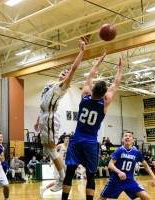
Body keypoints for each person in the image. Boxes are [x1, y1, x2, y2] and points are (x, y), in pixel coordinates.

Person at [62, 52, 124, 200]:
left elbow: (90, 75)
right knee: (90, 174)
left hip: (76, 140)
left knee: (69, 172)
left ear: (93, 89)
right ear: (104, 94)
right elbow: (116, 84)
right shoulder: (105, 102)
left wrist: (100, 60)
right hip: (90, 142)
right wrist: (120, 67)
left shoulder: (84, 96)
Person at [34, 38, 87, 192]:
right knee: (46, 150)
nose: (65, 73)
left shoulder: (62, 88)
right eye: (63, 72)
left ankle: (62, 179)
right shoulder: (49, 84)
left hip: (51, 118)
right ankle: (61, 177)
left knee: (50, 150)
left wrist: (81, 51)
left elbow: (73, 68)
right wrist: (38, 119)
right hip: (44, 116)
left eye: (67, 74)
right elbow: (42, 101)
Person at [98, 131, 155, 200]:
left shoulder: (137, 152)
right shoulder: (119, 150)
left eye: (129, 136)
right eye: (125, 136)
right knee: (102, 198)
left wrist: (154, 177)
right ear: (122, 139)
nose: (127, 137)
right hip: (116, 181)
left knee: (146, 197)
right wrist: (119, 172)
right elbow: (110, 165)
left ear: (133, 140)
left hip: (129, 181)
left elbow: (146, 166)